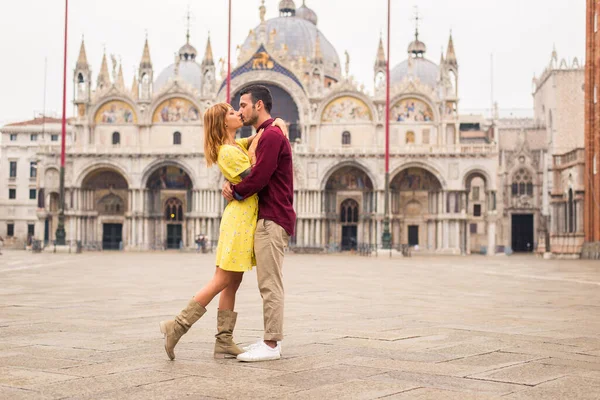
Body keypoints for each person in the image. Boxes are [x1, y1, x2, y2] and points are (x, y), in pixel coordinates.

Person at [159, 103, 287, 360]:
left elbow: (263, 134)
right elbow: (257, 176)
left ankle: (224, 340)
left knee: (233, 281)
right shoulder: (228, 152)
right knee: (222, 280)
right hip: (239, 222)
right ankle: (178, 325)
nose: (238, 113)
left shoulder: (235, 145)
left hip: (243, 218)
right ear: (222, 124)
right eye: (231, 113)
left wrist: (278, 124)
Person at [222, 85, 296, 362]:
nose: (240, 111)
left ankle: (271, 344)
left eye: (243, 105)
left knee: (270, 284)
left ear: (259, 105)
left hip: (273, 217)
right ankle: (268, 340)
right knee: (267, 282)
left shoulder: (272, 136)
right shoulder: (268, 134)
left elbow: (260, 177)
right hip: (268, 216)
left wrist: (235, 190)